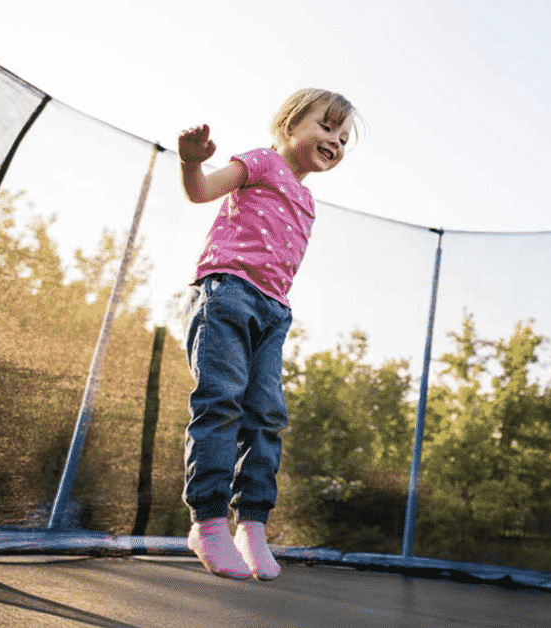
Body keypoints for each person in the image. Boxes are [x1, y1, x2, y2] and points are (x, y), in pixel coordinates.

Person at [177, 88, 356, 580]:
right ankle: (209, 521)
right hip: (228, 291)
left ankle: (251, 526)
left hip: (275, 311)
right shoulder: (259, 162)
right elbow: (200, 192)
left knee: (267, 416)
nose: (335, 142)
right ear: (290, 123)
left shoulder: (307, 200)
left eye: (343, 138)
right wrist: (191, 163)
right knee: (221, 401)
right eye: (326, 127)